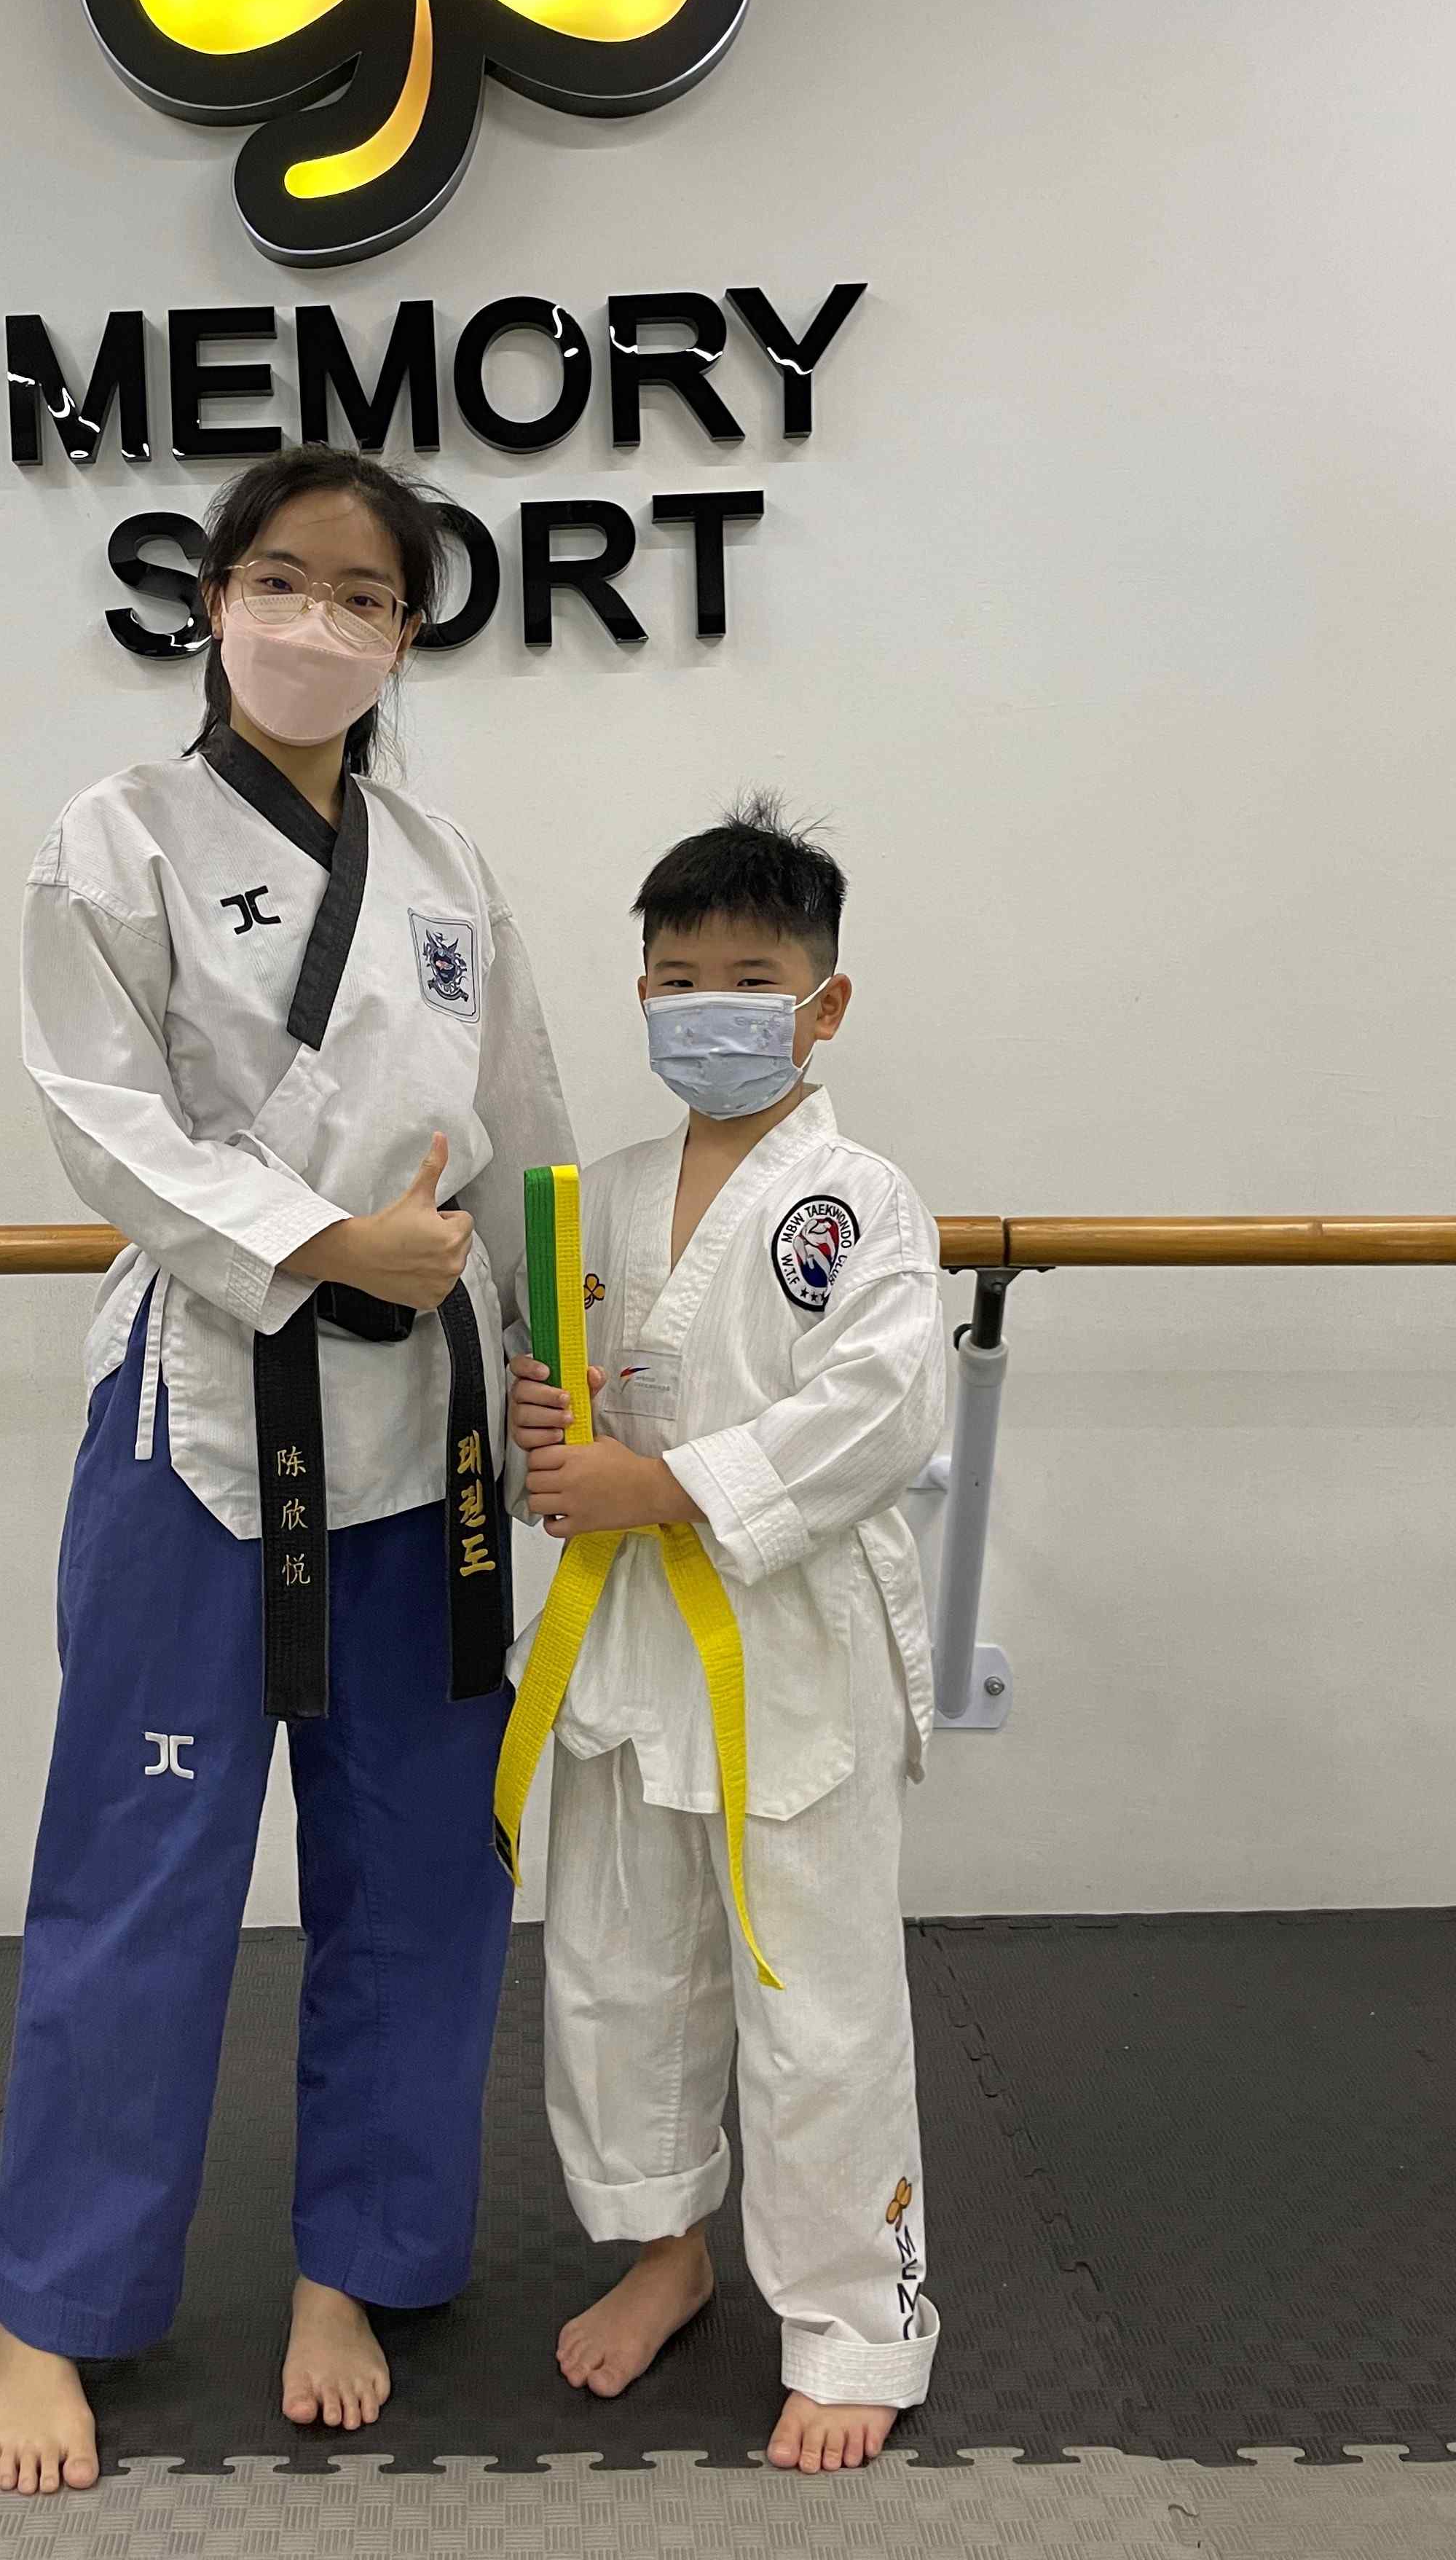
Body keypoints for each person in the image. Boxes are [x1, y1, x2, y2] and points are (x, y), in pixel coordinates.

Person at [0, 445, 574, 2497]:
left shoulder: (445, 868)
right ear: (215, 597)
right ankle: (47, 2304)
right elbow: (99, 1112)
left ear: (409, 635)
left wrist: (558, 1370)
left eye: (367, 596)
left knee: (423, 1870)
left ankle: (358, 2262)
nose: (320, 623)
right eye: (284, 581)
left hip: (426, 1437)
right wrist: (323, 1242)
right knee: (138, 1870)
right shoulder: (116, 837)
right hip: (210, 1429)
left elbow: (526, 1124)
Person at [505, 795, 946, 2476]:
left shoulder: (859, 1200)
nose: (709, 1007)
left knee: (814, 1997)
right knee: (622, 1971)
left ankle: (853, 2322)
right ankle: (664, 2249)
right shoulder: (594, 1201)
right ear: (640, 992)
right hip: (627, 1644)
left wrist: (667, 1481)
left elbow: (881, 1410)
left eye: (750, 979)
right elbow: (561, 1411)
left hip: (790, 1649)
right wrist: (549, 1436)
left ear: (824, 1004)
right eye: (677, 977)